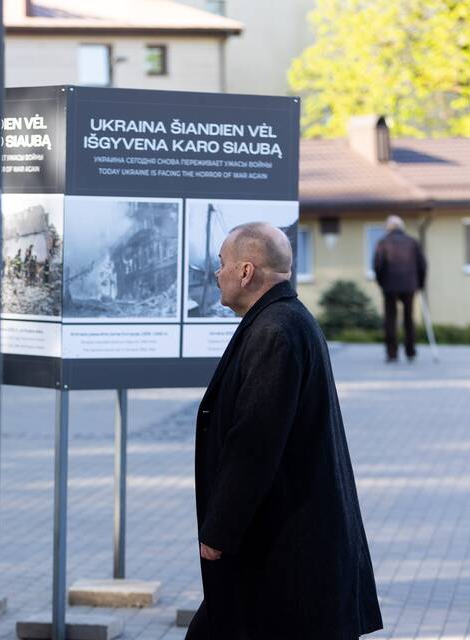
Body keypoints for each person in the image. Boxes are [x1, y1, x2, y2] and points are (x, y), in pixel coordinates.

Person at [187, 222, 382, 640]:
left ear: (245, 272)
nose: (215, 273)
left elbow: (254, 442)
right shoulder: (283, 320)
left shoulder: (276, 330)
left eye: (221, 264)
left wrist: (219, 530)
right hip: (284, 545)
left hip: (286, 550)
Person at [372, 215, 427, 362]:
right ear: (402, 227)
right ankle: (410, 351)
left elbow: (378, 266)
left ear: (388, 228)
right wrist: (420, 284)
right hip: (410, 285)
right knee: (409, 318)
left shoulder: (383, 243)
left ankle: (392, 353)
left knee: (390, 319)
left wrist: (381, 283)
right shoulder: (413, 242)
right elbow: (422, 265)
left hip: (390, 286)